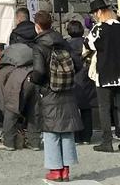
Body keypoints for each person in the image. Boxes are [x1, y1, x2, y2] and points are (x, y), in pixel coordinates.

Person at [29, 10, 79, 183]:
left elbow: (39, 72)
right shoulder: (63, 42)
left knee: (51, 131)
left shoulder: (39, 46)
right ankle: (65, 170)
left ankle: (55, 170)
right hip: (67, 90)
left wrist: (32, 79)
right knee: (66, 130)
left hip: (49, 91)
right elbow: (78, 64)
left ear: (37, 26)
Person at [87, 0, 120, 153]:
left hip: (105, 72)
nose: (93, 16)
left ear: (99, 12)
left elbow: (88, 44)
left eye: (94, 13)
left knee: (104, 108)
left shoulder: (99, 28)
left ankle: (107, 142)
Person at [0, 41, 35, 151]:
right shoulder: (31, 64)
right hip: (34, 77)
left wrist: (6, 113)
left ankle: (8, 143)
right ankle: (34, 142)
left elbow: (2, 99)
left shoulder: (4, 71)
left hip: (20, 82)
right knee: (34, 111)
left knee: (10, 110)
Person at [66, 21, 96, 144]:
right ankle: (87, 136)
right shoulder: (87, 42)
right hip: (87, 76)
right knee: (87, 108)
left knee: (73, 109)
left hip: (73, 78)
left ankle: (76, 136)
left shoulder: (67, 45)